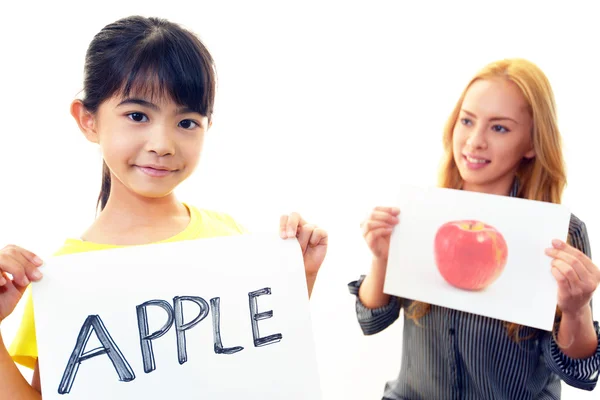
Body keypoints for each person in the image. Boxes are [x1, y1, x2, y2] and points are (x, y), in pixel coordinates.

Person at [0, 15, 328, 397]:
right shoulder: (63, 275)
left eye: (187, 122)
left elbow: (256, 359)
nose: (163, 144)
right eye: (137, 116)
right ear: (88, 119)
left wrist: (296, 277)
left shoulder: (228, 236)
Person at [350, 58, 600, 399]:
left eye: (499, 128)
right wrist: (381, 260)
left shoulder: (559, 235)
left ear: (531, 143)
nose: (475, 141)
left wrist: (577, 309)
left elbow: (578, 371)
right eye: (467, 121)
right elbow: (371, 321)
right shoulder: (423, 215)